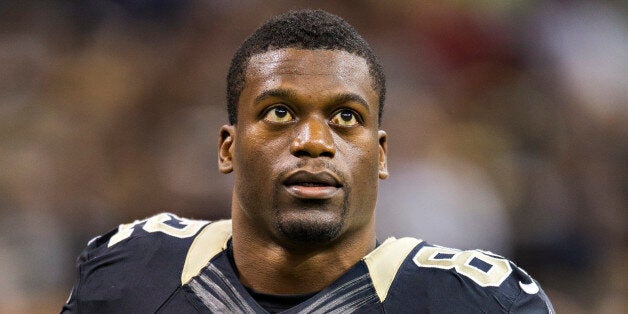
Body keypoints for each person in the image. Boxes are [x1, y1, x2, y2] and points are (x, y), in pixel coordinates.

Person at [61, 9, 553, 313]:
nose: (314, 141)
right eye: (280, 112)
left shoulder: (481, 303)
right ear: (227, 148)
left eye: (345, 116)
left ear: (379, 155)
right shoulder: (127, 275)